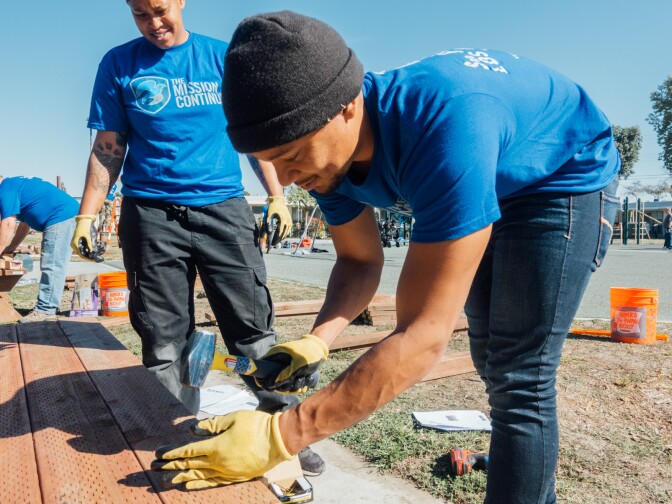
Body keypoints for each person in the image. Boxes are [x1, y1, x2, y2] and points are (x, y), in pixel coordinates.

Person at [151, 11, 620, 501]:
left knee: (521, 372)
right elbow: (359, 261)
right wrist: (319, 339)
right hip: (491, 168)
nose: (286, 179)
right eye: (271, 164)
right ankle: (516, 460)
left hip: (560, 176)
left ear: (348, 108)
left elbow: (422, 336)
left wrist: (282, 435)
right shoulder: (325, 155)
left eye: (291, 154)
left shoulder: (444, 127)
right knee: (490, 355)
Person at [72, 1, 323, 475]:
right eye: (141, 15)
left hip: (222, 208)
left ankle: (283, 431)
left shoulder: (221, 58)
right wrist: (87, 215)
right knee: (164, 336)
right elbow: (108, 148)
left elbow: (253, 134)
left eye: (161, 10)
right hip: (150, 214)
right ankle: (174, 429)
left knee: (252, 327)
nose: (154, 24)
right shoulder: (119, 64)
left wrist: (276, 196)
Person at [0, 176, 79, 322]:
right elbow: (24, 224)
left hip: (61, 216)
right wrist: (12, 247)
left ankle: (46, 310)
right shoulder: (15, 186)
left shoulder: (5, 189)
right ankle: (48, 307)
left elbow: (8, 224)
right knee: (53, 263)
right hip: (65, 214)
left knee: (52, 264)